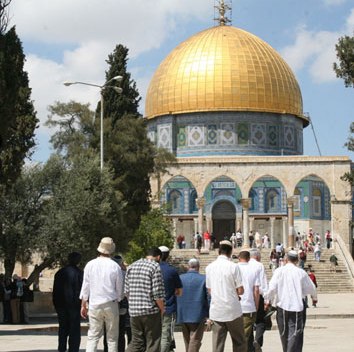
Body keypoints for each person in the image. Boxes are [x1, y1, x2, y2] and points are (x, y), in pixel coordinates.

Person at [264, 250, 317, 352]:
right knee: (294, 333)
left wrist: (268, 300)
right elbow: (312, 288)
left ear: (286, 259)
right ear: (297, 260)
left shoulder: (279, 271)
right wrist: (314, 298)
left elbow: (271, 288)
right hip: (296, 307)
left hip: (282, 306)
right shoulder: (301, 272)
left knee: (283, 332)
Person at [80, 237, 124, 352]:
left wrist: (83, 304)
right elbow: (119, 287)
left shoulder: (90, 265)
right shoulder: (115, 266)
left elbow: (85, 286)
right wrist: (119, 299)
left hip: (94, 304)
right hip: (111, 303)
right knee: (112, 338)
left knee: (93, 336)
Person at [205, 240, 246, 352]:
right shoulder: (233, 266)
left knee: (218, 344)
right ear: (230, 252)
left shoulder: (209, 268)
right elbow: (240, 290)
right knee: (239, 342)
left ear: (219, 251)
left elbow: (209, 290)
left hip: (217, 309)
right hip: (233, 310)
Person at [125, 247, 165, 352]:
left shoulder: (131, 266)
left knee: (136, 343)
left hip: (134, 312)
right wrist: (162, 309)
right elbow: (157, 293)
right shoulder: (155, 266)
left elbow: (126, 291)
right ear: (158, 257)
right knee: (153, 342)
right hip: (150, 311)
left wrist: (133, 304)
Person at [176, 258, 209, 352]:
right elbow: (208, 297)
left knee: (187, 340)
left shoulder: (180, 278)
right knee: (195, 340)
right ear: (198, 267)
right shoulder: (204, 279)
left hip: (182, 313)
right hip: (198, 314)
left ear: (188, 267)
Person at [53, 252, 83, 352]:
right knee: (74, 330)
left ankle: (61, 349)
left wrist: (56, 305)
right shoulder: (79, 273)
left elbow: (55, 291)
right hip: (74, 306)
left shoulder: (60, 272)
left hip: (61, 305)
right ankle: (73, 350)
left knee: (62, 329)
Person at [159, 246, 183, 352]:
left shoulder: (152, 268)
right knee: (166, 335)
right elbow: (179, 291)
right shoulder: (171, 270)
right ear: (168, 256)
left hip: (153, 308)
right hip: (168, 307)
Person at [248, 249, 269, 352]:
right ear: (257, 257)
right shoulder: (259, 265)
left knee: (248, 321)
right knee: (260, 321)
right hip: (258, 296)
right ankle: (257, 341)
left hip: (246, 297)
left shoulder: (244, 264)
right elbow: (263, 283)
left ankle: (250, 344)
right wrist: (267, 299)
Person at [237, 251, 260, 343]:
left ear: (239, 258)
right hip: (248, 306)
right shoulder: (253, 269)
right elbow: (256, 290)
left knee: (239, 336)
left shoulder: (234, 268)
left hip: (235, 306)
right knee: (245, 336)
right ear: (249, 258)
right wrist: (256, 305)